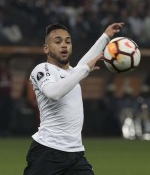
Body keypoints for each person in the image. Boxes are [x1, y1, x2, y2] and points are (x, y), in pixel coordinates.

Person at [23, 22, 124, 175]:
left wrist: (106, 36)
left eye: (68, 42)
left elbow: (84, 64)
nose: (64, 45)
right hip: (47, 152)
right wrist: (84, 70)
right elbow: (53, 93)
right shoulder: (42, 69)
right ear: (46, 48)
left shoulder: (72, 73)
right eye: (57, 42)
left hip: (75, 154)